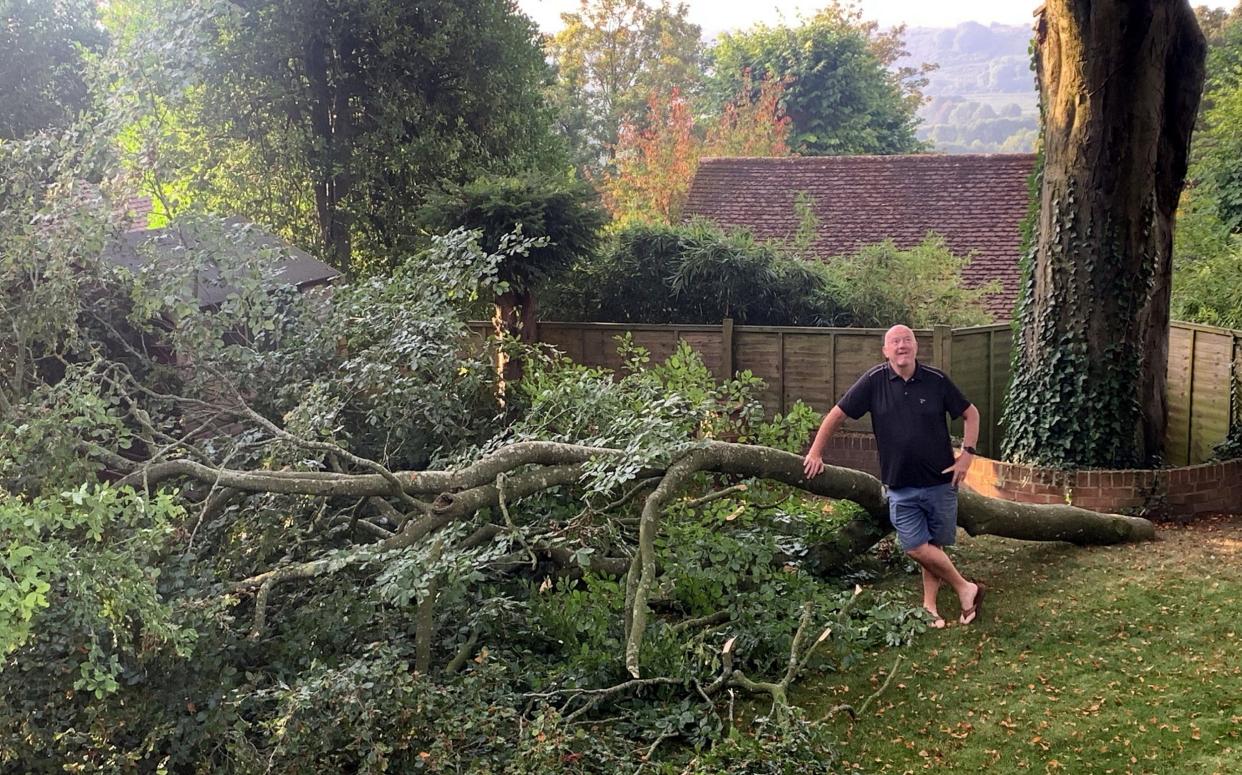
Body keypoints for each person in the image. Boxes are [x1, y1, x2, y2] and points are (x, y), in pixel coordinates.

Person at [802, 325, 985, 627]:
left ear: (916, 348)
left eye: (907, 341)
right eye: (894, 342)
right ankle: (966, 587)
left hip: (941, 481)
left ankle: (929, 606)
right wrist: (815, 452)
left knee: (932, 547)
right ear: (885, 351)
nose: (901, 346)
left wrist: (967, 455)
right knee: (915, 546)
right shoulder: (873, 382)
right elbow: (837, 414)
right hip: (900, 484)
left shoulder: (936, 380)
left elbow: (971, 414)